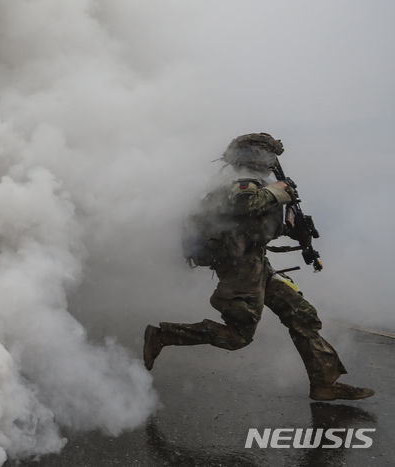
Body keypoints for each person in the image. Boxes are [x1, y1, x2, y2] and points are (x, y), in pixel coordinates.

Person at [143, 133, 374, 401]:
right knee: (237, 336)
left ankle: (325, 384)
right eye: (268, 156)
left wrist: (293, 228)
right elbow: (246, 206)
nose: (272, 162)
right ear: (255, 156)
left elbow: (254, 223)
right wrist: (280, 191)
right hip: (240, 267)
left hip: (256, 262)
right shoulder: (240, 184)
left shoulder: (254, 184)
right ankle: (162, 335)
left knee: (302, 316)